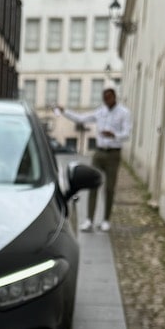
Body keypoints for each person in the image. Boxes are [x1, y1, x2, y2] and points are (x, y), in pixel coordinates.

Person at [54, 88, 132, 231]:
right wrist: (65, 111)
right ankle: (89, 219)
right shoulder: (100, 112)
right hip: (99, 152)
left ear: (114, 97)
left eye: (109, 98)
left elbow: (127, 133)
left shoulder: (124, 113)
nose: (107, 101)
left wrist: (114, 135)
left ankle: (106, 220)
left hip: (113, 153)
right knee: (92, 183)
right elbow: (81, 118)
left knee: (109, 188)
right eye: (104, 98)